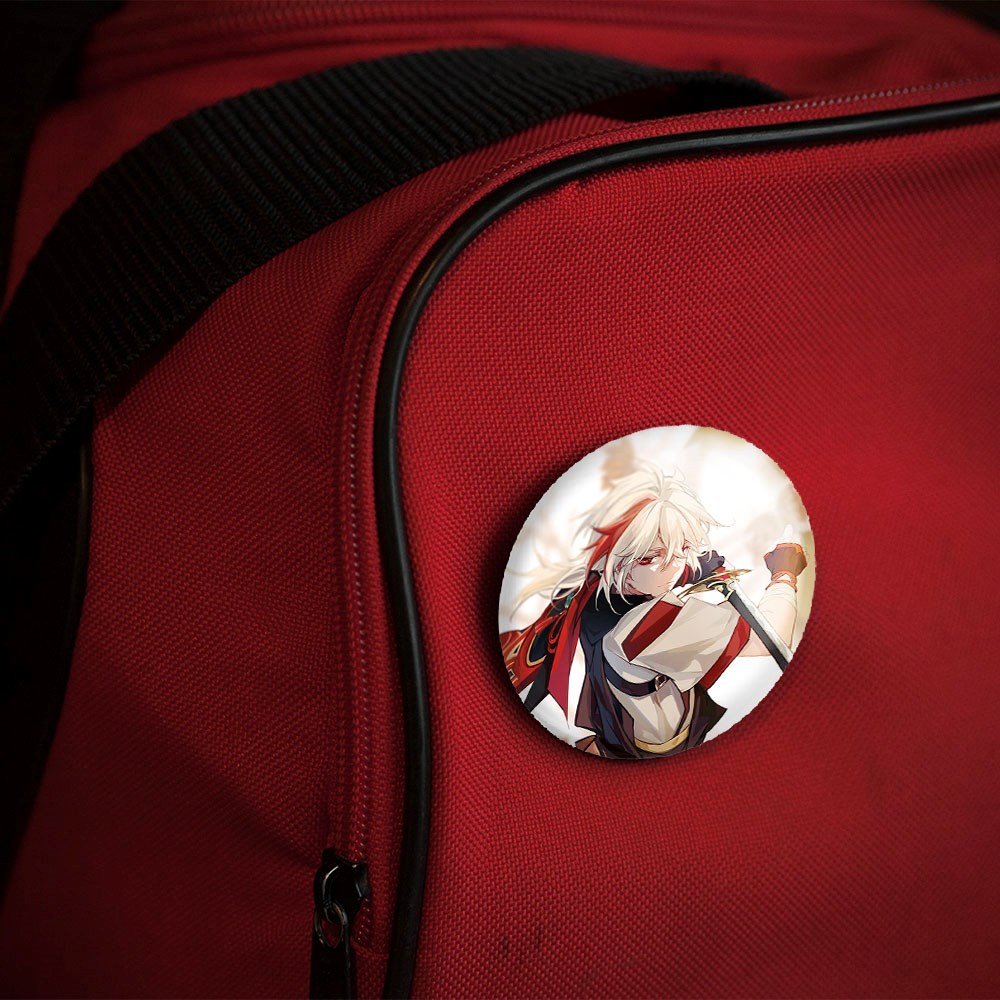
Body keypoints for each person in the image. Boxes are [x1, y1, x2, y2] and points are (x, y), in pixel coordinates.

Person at [500, 464, 807, 758]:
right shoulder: (646, 627)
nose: (676, 565)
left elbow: (646, 576)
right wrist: (785, 575)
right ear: (617, 561)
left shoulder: (595, 588)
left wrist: (688, 566)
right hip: (657, 740)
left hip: (618, 718)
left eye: (682, 549)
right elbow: (768, 638)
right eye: (652, 557)